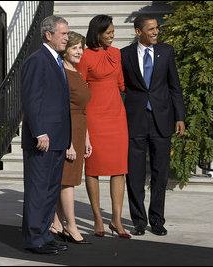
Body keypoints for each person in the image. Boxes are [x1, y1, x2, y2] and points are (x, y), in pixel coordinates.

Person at [120, 14, 186, 237]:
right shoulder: (125, 54)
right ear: (139, 32)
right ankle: (139, 221)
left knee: (160, 173)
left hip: (162, 119)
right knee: (135, 174)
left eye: (157, 28)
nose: (156, 32)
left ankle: (157, 220)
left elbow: (174, 86)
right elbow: (122, 88)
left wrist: (180, 117)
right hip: (135, 120)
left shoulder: (166, 52)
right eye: (151, 29)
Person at [76, 14, 131, 239]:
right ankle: (98, 217)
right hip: (95, 117)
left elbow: (121, 84)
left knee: (119, 169)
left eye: (113, 32)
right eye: (108, 33)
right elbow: (79, 89)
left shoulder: (116, 53)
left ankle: (116, 220)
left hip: (117, 116)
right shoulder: (85, 56)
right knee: (94, 168)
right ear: (97, 33)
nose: (112, 36)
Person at [20, 15, 71, 255]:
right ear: (48, 35)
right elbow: (31, 99)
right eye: (63, 34)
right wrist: (39, 131)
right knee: (38, 190)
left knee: (51, 190)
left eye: (68, 34)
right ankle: (34, 239)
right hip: (42, 139)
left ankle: (44, 234)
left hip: (58, 138)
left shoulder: (57, 61)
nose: (67, 38)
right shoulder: (37, 61)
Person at [50, 31, 92, 244]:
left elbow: (81, 110)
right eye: (75, 47)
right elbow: (61, 110)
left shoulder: (76, 72)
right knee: (67, 182)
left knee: (66, 181)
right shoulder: (62, 74)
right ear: (65, 50)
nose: (79, 51)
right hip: (66, 133)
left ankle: (57, 223)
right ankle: (71, 227)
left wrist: (85, 139)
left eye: (81, 48)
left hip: (78, 130)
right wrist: (68, 143)